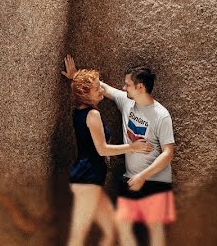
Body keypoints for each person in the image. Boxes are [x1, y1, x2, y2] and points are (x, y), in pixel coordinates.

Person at [63, 55, 176, 246]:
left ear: (140, 87)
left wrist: (144, 175)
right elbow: (102, 88)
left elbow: (168, 153)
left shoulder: (161, 115)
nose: (123, 88)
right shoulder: (126, 102)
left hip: (155, 181)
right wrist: (75, 76)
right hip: (127, 178)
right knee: (120, 229)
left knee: (148, 230)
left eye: (127, 85)